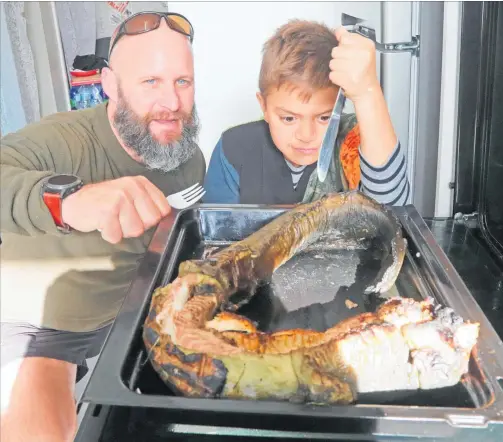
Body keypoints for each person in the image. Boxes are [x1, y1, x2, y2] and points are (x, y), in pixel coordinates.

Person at [0, 12, 204, 442]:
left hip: (133, 317)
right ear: (110, 84)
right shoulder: (64, 139)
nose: (171, 102)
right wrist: (68, 200)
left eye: (182, 82)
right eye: (151, 82)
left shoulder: (188, 157)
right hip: (42, 325)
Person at [203, 20, 409, 206]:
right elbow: (216, 232)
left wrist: (367, 93)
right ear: (264, 106)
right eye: (289, 118)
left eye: (324, 118)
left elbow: (391, 211)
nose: (306, 135)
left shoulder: (356, 142)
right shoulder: (232, 149)